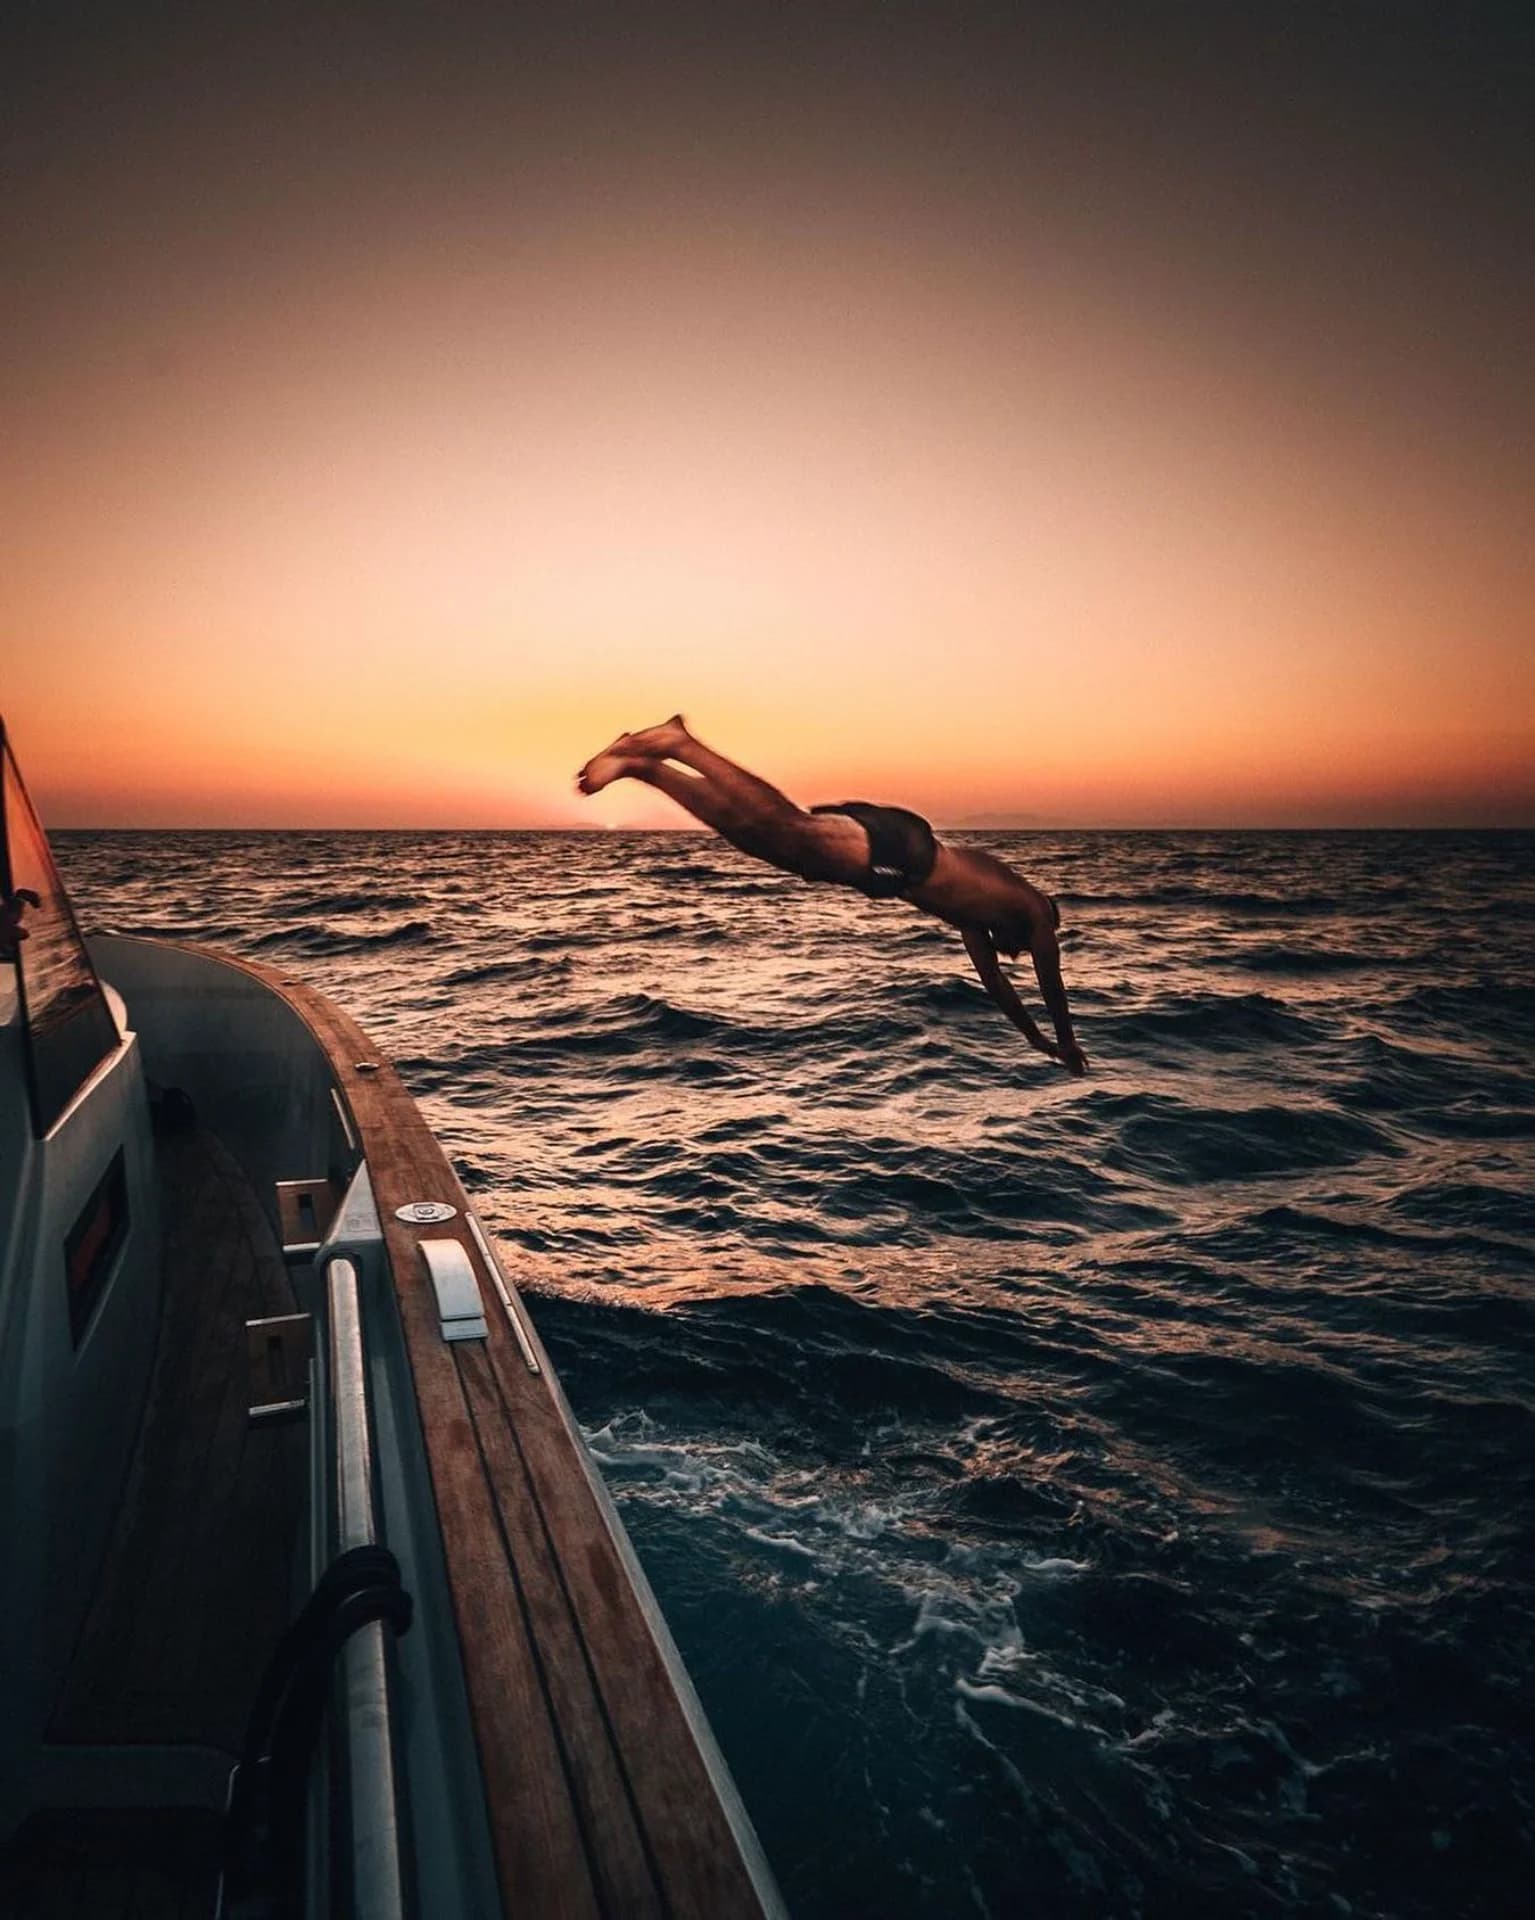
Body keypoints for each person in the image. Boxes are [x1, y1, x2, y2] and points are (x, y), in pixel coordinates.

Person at [577, 717, 1088, 1074]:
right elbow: (1051, 981)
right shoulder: (1035, 911)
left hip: (893, 862)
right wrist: (1065, 1040)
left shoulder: (975, 920)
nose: (1017, 954)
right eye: (1024, 950)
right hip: (904, 850)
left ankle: (647, 768)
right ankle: (681, 744)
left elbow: (996, 985)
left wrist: (1036, 1040)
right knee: (789, 828)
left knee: (771, 843)